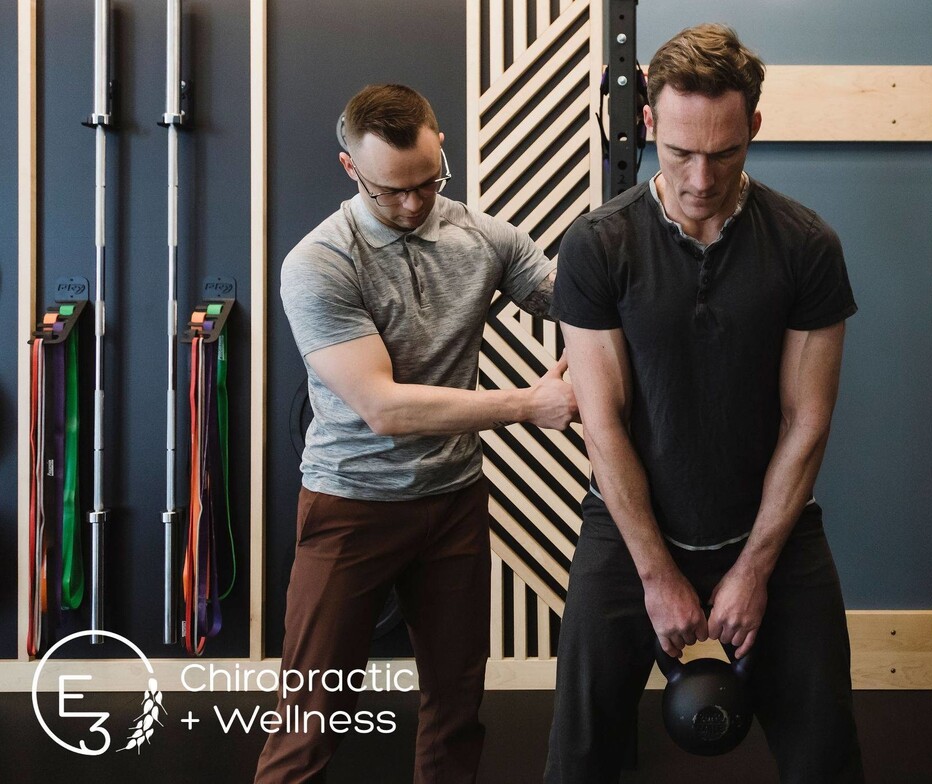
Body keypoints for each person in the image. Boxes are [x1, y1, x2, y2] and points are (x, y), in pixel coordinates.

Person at [544, 24, 864, 783]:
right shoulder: (596, 246)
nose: (699, 178)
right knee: (578, 761)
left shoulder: (806, 245)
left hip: (771, 531)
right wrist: (656, 574)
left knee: (828, 761)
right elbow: (605, 420)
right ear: (650, 123)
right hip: (629, 536)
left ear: (754, 126)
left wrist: (754, 566)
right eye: (681, 152)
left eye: (723, 154)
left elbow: (806, 419)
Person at [255, 83, 576, 784]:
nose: (412, 203)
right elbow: (384, 409)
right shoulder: (320, 262)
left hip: (452, 501)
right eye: (389, 191)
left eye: (428, 183)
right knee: (311, 718)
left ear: (441, 152)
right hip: (351, 504)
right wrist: (530, 403)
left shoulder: (483, 236)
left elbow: (574, 301)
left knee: (457, 710)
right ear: (350, 170)